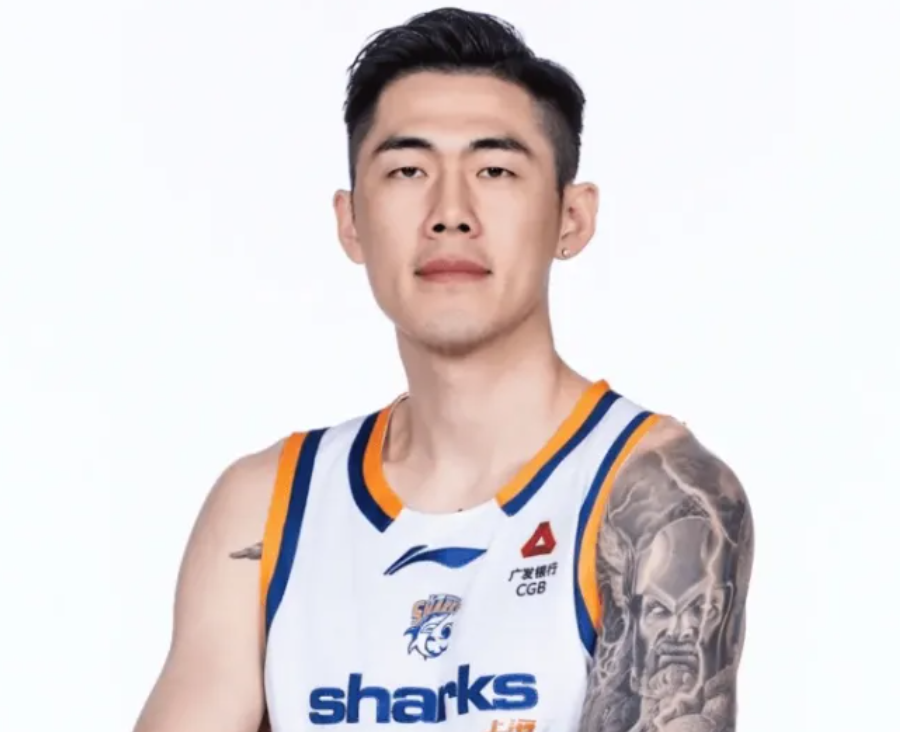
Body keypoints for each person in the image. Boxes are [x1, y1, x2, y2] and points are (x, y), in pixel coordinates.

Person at [133, 8, 753, 732]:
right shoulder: (265, 506)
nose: (450, 212)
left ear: (572, 218)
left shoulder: (656, 494)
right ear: (351, 222)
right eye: (407, 170)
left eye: (495, 170)